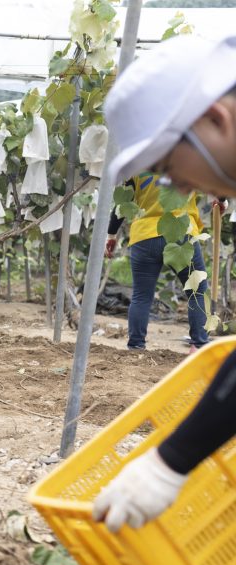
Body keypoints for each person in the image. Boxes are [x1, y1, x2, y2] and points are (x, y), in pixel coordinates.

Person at [92, 33, 236, 532]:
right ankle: (196, 336)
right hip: (169, 239)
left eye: (170, 170)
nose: (179, 188)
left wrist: (168, 462)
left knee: (144, 295)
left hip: (141, 238)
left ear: (216, 119)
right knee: (192, 291)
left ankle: (140, 341)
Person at [105, 173, 208, 351]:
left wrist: (111, 234)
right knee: (197, 291)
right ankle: (198, 345)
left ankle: (136, 345)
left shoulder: (138, 164)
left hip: (144, 235)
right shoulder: (190, 162)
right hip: (181, 231)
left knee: (141, 296)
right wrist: (222, 201)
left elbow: (122, 202)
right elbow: (217, 182)